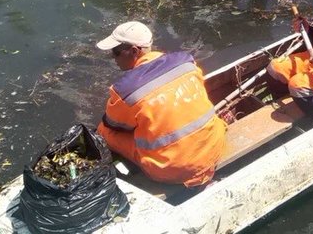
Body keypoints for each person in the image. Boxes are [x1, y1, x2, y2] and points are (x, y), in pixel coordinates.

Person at [96, 21, 227, 187]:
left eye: (115, 52)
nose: (113, 58)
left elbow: (112, 124)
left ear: (134, 51)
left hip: (172, 168)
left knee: (103, 131)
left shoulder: (125, 90)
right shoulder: (186, 62)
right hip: (215, 147)